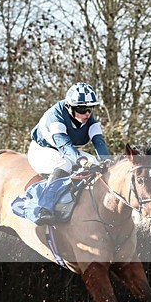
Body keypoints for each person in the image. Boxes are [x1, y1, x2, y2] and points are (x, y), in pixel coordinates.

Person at [28, 82, 111, 222]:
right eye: (81, 108)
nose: (87, 113)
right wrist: (82, 161)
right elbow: (64, 146)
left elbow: (99, 141)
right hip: (41, 151)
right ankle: (44, 208)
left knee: (95, 162)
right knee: (65, 163)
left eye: (90, 109)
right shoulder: (56, 116)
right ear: (69, 107)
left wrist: (108, 160)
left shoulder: (89, 119)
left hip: (65, 151)